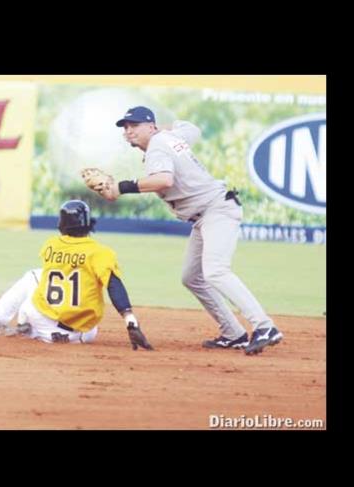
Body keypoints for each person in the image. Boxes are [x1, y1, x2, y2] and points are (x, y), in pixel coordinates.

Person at [92, 106, 282, 356]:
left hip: (216, 211)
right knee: (192, 277)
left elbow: (164, 180)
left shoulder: (157, 146)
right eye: (126, 127)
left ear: (151, 126)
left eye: (135, 125)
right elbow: (193, 129)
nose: (129, 131)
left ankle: (265, 327)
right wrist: (165, 130)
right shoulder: (171, 137)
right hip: (207, 214)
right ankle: (233, 333)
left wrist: (121, 187)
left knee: (216, 271)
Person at [0, 200, 154, 350]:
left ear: (61, 225)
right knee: (76, 281)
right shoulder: (101, 253)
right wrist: (131, 322)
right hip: (82, 335)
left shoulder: (50, 245)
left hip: (42, 321)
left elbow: (64, 267)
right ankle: (28, 329)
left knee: (33, 276)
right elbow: (114, 286)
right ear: (89, 225)